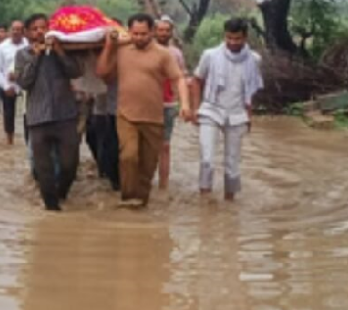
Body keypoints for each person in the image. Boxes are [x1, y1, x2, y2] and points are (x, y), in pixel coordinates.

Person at [97, 13, 190, 207]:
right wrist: (109, 46)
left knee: (148, 167)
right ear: (129, 31)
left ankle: (141, 203)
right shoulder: (121, 50)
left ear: (152, 32)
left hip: (153, 117)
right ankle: (128, 199)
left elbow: (178, 78)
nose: (139, 38)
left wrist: (185, 104)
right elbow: (102, 73)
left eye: (143, 34)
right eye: (135, 33)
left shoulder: (164, 54)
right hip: (126, 115)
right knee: (128, 156)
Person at [15, 13, 83, 211]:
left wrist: (59, 52)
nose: (40, 32)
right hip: (38, 117)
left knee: (70, 164)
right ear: (27, 33)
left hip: (65, 115)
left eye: (43, 28)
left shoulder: (63, 50)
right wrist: (36, 57)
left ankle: (61, 194)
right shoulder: (22, 55)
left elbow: (76, 72)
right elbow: (24, 82)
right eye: (35, 29)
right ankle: (51, 209)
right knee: (43, 169)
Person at [191, 18, 263, 201]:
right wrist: (195, 109)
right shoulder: (210, 55)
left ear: (245, 37)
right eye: (229, 38)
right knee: (207, 159)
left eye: (237, 38)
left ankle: (230, 201)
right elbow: (197, 80)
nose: (232, 42)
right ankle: (205, 200)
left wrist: (249, 115)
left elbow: (250, 89)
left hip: (237, 112)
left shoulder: (254, 59)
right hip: (211, 109)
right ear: (224, 36)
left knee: (233, 164)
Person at [155, 16, 187, 190]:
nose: (163, 33)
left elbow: (181, 78)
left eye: (167, 30)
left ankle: (163, 185)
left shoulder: (176, 54)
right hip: (148, 104)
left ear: (171, 32)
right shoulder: (146, 50)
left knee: (165, 146)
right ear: (154, 31)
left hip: (168, 104)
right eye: (160, 30)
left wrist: (184, 104)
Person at [0, 20, 28, 145]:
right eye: (13, 29)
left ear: (23, 31)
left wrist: (20, 75)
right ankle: (10, 141)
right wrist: (5, 86)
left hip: (26, 83)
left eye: (19, 29)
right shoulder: (2, 47)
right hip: (9, 84)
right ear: (9, 31)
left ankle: (28, 140)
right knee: (8, 114)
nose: (16, 32)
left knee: (28, 113)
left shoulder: (28, 45)